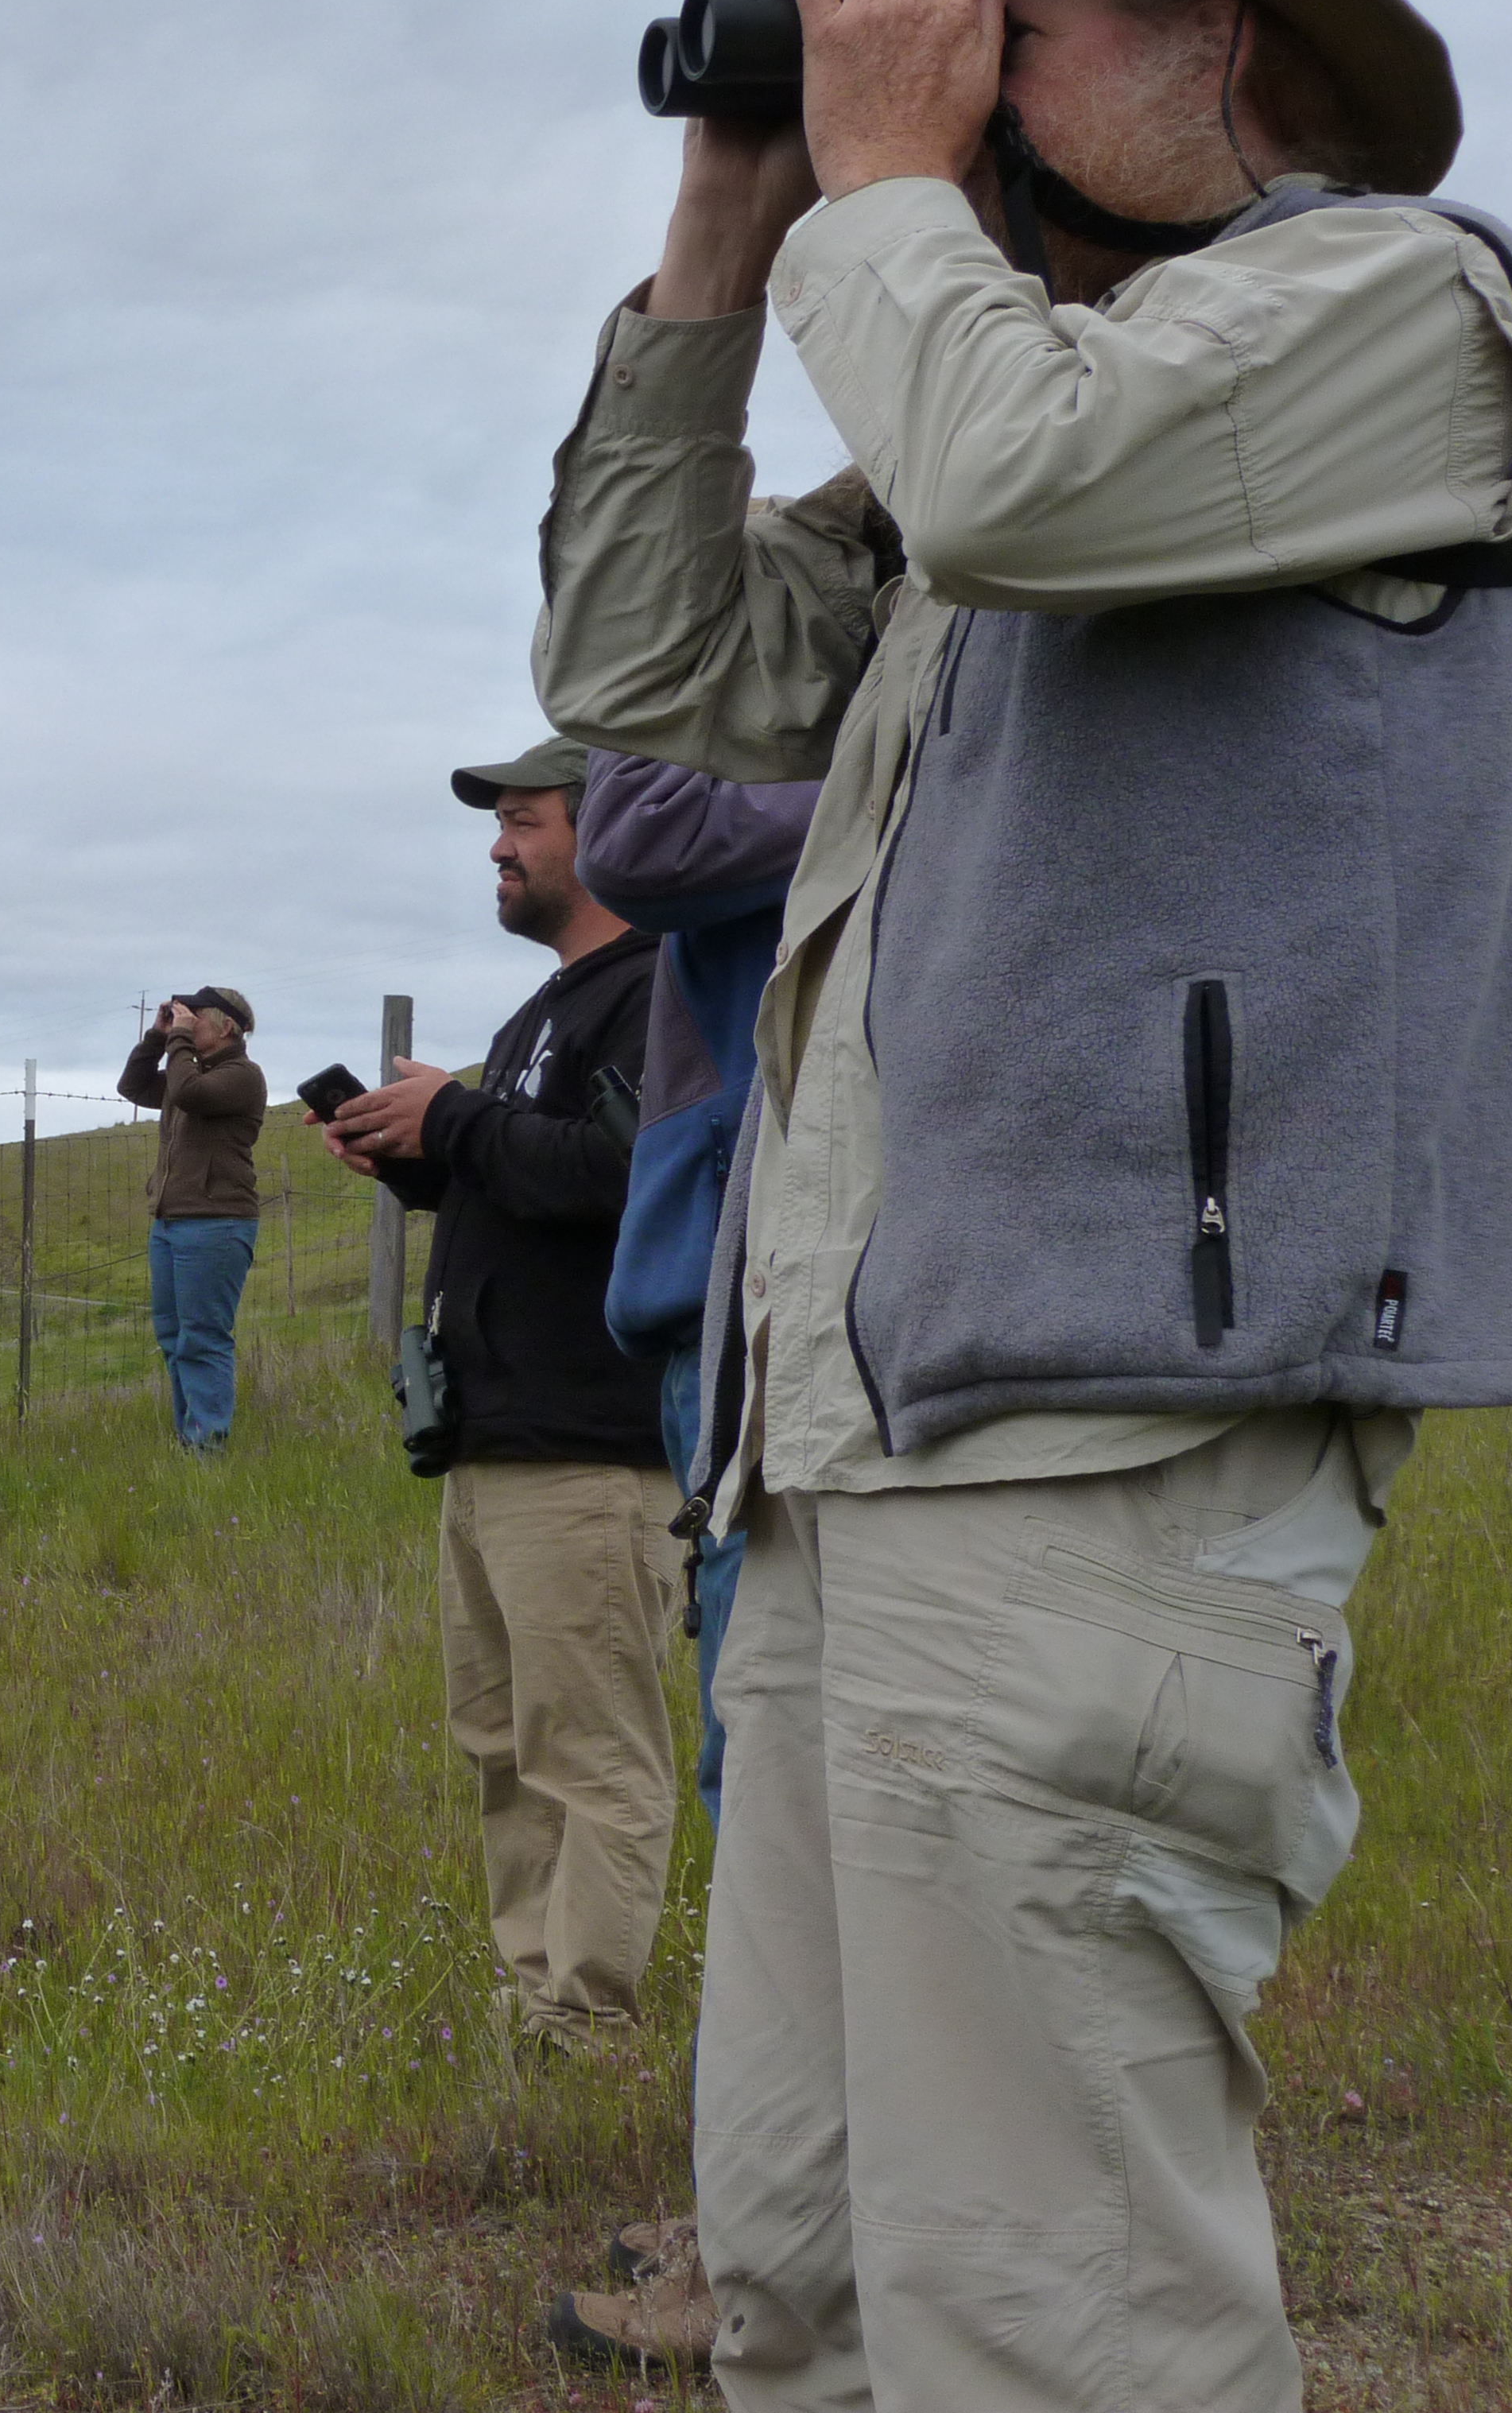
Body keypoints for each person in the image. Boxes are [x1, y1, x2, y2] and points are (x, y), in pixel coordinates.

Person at [533, 0, 1512, 2403]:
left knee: (1046, 2306)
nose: (949, 69)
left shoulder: (1393, 304)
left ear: (1243, 56)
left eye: (1018, 24)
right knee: (813, 2265)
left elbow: (1021, 479)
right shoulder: (985, 393)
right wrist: (727, 243)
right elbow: (642, 665)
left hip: (1112, 1445)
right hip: (857, 1451)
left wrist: (886, 187)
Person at [324, 736, 676, 2058]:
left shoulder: (661, 990)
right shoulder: (544, 1013)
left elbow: (629, 1172)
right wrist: (418, 1159)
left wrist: (455, 1124)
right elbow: (537, 1183)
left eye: (523, 821)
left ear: (608, 831)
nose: (498, 846)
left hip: (591, 1450)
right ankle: (533, 2006)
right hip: (495, 1445)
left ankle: (587, 2027)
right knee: (502, 1745)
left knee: (592, 1753)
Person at [544, 754, 820, 2373]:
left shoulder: (876, 746)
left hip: (772, 1314)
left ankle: (783, 2254)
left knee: (776, 1791)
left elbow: (638, 828)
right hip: (718, 1319)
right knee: (758, 1775)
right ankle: (769, 2211)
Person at [117, 987, 267, 1450]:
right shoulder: (191, 1068)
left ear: (227, 1027)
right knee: (172, 1336)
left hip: (216, 1222)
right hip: (170, 1221)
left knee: (203, 1337)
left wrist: (177, 1042)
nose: (185, 1020)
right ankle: (190, 1438)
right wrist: (156, 1039)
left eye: (194, 1016)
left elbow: (187, 1092)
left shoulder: (243, 1075)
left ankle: (208, 1445)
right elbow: (134, 1087)